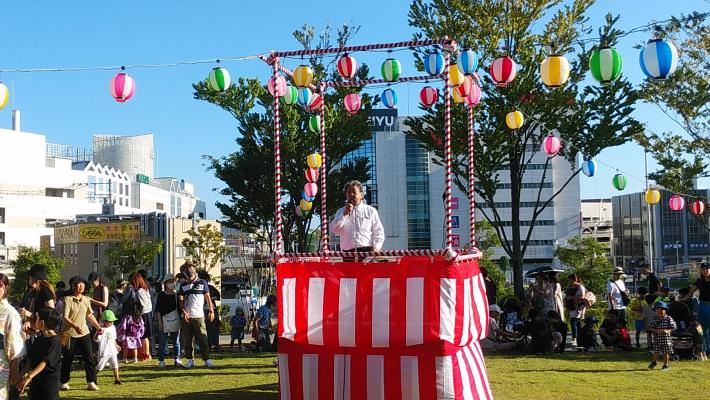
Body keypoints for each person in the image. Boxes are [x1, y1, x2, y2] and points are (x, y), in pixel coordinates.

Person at [60, 275, 102, 392]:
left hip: (84, 332)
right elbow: (65, 317)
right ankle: (64, 382)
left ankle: (91, 381)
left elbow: (89, 315)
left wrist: (97, 326)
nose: (81, 286)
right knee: (68, 358)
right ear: (73, 286)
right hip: (69, 333)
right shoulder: (68, 299)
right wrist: (75, 326)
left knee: (89, 357)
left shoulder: (86, 299)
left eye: (83, 283)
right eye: (78, 283)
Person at [331, 180, 385, 260]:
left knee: (367, 273)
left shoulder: (370, 211)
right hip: (347, 253)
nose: (351, 195)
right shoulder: (340, 211)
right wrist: (345, 214)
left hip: (367, 251)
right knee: (349, 273)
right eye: (348, 192)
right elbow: (335, 229)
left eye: (354, 192)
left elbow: (379, 231)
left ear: (361, 195)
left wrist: (376, 248)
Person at [17, 308, 61, 400]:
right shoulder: (39, 338)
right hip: (36, 381)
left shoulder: (55, 341)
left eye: (37, 318)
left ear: (42, 323)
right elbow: (30, 360)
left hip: (49, 383)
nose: (34, 321)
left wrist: (28, 377)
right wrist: (20, 376)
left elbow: (45, 362)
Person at [177, 262, 214, 369]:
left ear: (194, 269)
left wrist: (211, 310)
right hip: (187, 316)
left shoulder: (202, 282)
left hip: (199, 315)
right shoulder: (183, 286)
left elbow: (207, 297)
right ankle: (190, 360)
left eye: (190, 267)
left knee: (203, 337)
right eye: (186, 269)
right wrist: (184, 311)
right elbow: (181, 300)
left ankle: (207, 359)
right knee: (188, 339)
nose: (188, 270)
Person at [0, 273, 25, 400]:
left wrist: (14, 373)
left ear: (6, 288)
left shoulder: (10, 313)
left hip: (2, 365)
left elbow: (14, 346)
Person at [19, 264, 56, 335]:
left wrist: (31, 315)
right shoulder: (32, 291)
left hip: (42, 331)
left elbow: (50, 315)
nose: (31, 281)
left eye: (33, 278)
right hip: (32, 328)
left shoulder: (45, 290)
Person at [156, 274, 182, 368]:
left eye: (173, 281)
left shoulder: (177, 294)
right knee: (162, 342)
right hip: (164, 320)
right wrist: (159, 323)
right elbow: (158, 310)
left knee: (176, 341)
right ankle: (161, 361)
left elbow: (180, 308)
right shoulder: (161, 295)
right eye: (170, 281)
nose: (172, 283)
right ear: (166, 283)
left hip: (175, 319)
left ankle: (177, 359)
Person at [125, 273, 153, 362]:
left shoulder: (140, 291)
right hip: (147, 314)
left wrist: (139, 315)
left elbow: (143, 305)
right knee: (145, 336)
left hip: (143, 314)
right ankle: (146, 354)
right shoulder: (145, 289)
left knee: (144, 336)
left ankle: (146, 354)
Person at [648, 301, 677, 371]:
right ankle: (654, 362)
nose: (660, 311)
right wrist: (656, 331)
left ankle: (666, 365)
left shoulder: (668, 318)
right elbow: (650, 327)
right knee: (656, 351)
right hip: (657, 338)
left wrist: (667, 331)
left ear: (665, 310)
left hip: (666, 339)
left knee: (666, 352)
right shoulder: (654, 318)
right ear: (655, 311)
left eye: (662, 310)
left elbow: (674, 327)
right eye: (657, 310)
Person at [94, 310, 121, 385]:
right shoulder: (101, 329)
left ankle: (117, 379)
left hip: (112, 350)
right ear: (104, 321)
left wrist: (116, 345)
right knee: (99, 366)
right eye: (109, 321)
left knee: (115, 365)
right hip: (104, 351)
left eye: (112, 321)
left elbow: (113, 338)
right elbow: (95, 339)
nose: (111, 323)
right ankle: (93, 378)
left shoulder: (113, 327)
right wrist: (98, 333)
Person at [198, 271, 222, 353]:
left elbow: (218, 296)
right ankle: (208, 346)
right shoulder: (198, 288)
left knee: (213, 329)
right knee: (205, 329)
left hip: (211, 310)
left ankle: (215, 345)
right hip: (202, 310)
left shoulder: (211, 288)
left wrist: (209, 299)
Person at [689, 262, 710, 356]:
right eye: (703, 269)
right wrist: (683, 298)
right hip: (701, 305)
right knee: (702, 329)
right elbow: (691, 292)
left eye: (707, 269)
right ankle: (706, 349)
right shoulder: (699, 281)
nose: (705, 271)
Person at [565, 274, 587, 347]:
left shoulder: (579, 286)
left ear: (574, 279)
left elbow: (581, 297)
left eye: (570, 280)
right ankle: (579, 338)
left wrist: (571, 297)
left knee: (573, 322)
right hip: (572, 307)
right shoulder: (570, 286)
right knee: (577, 323)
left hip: (578, 307)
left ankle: (574, 338)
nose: (569, 281)